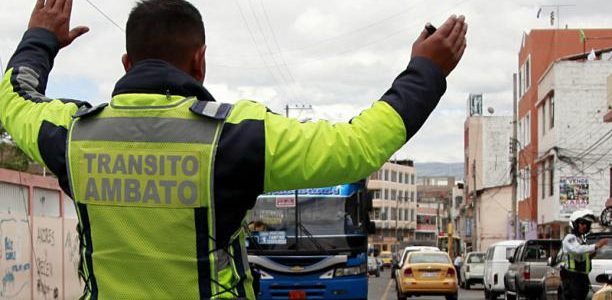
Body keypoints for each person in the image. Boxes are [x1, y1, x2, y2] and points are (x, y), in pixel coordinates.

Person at [0, 0, 467, 298]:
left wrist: (40, 38)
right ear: (199, 61)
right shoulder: (237, 137)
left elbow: (14, 100)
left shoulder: (69, 134)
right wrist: (426, 71)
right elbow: (359, 146)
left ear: (127, 62)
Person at [561, 209, 608, 299]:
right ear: (575, 223)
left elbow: (580, 256)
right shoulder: (570, 238)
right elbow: (577, 250)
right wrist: (596, 245)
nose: (584, 226)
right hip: (573, 278)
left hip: (582, 277)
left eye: (586, 224)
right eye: (582, 223)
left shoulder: (581, 239)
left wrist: (590, 256)